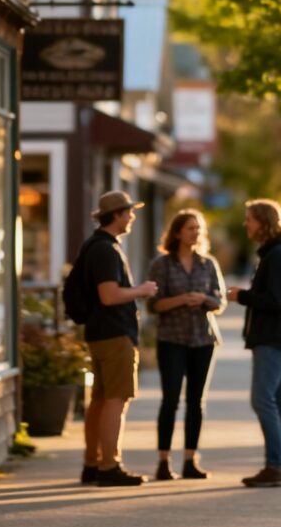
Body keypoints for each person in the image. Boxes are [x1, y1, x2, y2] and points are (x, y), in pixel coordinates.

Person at [78, 190, 158, 487]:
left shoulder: (95, 245)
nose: (132, 217)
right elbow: (109, 295)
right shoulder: (106, 250)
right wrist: (141, 291)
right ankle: (110, 466)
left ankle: (93, 463)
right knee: (116, 400)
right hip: (114, 334)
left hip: (100, 332)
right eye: (129, 212)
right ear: (116, 215)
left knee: (100, 400)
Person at [227, 199, 281, 488]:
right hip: (280, 338)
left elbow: (275, 300)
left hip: (274, 339)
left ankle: (275, 466)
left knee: (263, 400)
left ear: (264, 222)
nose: (246, 224)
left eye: (250, 219)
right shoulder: (278, 253)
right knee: (278, 400)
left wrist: (242, 296)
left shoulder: (278, 256)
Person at [147, 209, 226, 481]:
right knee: (170, 400)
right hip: (172, 339)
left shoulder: (208, 264)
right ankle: (163, 461)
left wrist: (203, 299)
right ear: (178, 232)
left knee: (196, 401)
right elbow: (153, 305)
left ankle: (191, 460)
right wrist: (182, 299)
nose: (195, 233)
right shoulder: (162, 265)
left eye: (198, 228)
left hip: (203, 339)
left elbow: (220, 302)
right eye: (190, 228)